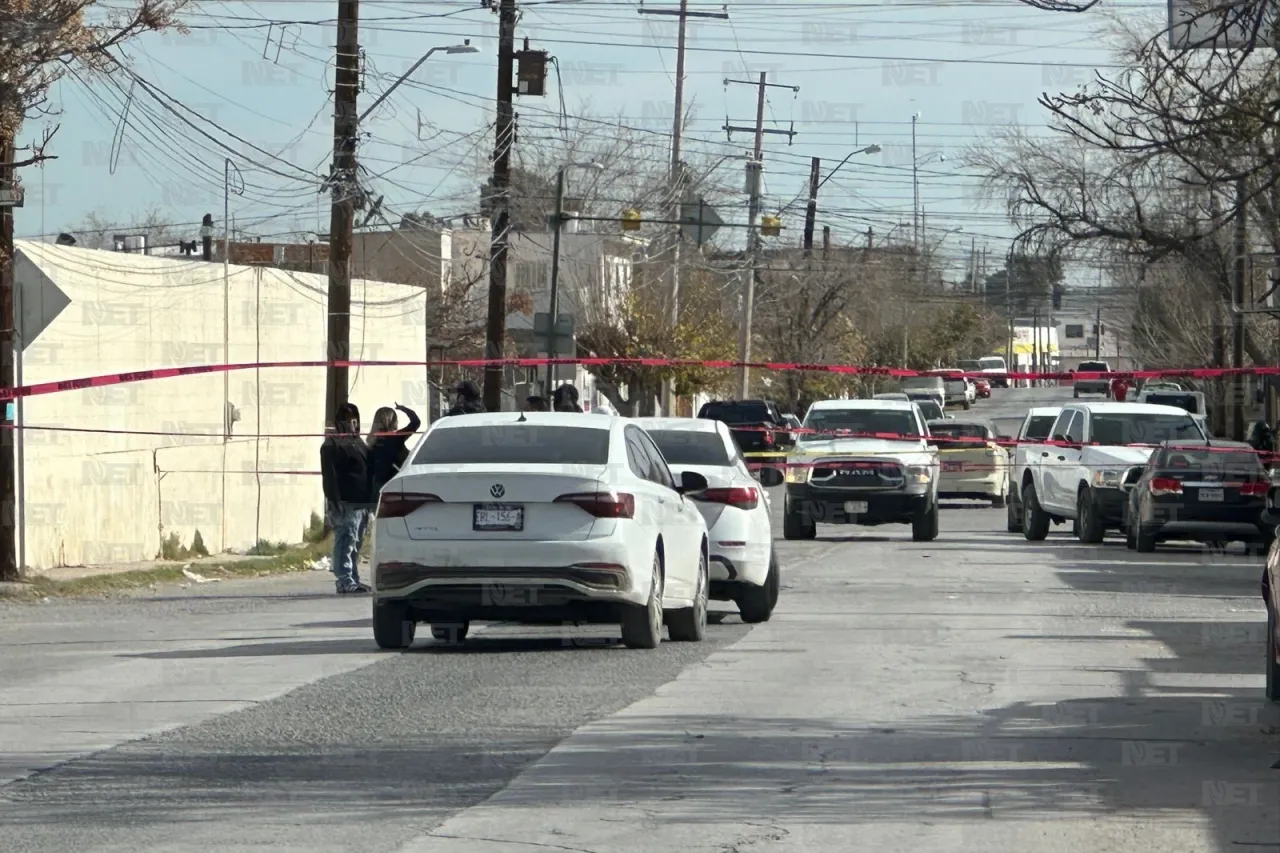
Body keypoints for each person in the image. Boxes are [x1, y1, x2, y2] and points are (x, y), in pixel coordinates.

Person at [320, 402, 373, 594]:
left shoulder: (358, 442)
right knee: (345, 541)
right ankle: (344, 580)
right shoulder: (332, 444)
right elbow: (329, 476)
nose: (352, 423)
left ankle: (353, 578)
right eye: (347, 419)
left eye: (354, 419)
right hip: (345, 503)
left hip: (361, 504)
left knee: (355, 543)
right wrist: (334, 500)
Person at [366, 402, 422, 498]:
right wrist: (403, 408)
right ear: (392, 421)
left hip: (377, 486)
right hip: (395, 484)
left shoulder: (371, 441)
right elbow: (416, 422)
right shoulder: (395, 438)